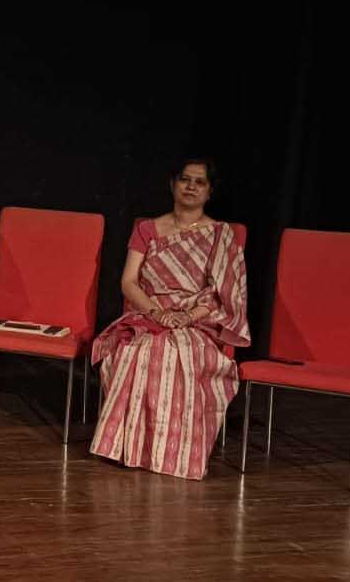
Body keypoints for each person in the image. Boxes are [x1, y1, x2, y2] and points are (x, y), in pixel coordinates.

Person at [89, 158, 250, 480]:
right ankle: (130, 448)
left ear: (209, 191)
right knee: (137, 350)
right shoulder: (147, 229)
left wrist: (187, 316)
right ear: (172, 184)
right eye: (185, 179)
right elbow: (129, 282)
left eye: (199, 182)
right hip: (149, 312)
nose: (191, 187)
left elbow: (222, 294)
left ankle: (174, 455)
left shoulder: (221, 235)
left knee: (180, 352)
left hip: (197, 320)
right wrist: (156, 312)